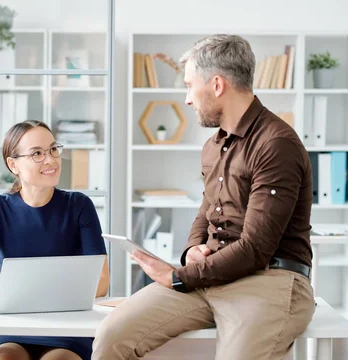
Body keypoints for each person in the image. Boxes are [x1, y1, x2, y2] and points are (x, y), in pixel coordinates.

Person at [92, 34, 315, 360]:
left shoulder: (275, 143)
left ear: (217, 85)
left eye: (189, 85)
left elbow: (255, 249)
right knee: (111, 336)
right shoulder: (213, 146)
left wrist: (178, 276)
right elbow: (207, 208)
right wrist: (190, 251)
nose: (187, 99)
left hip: (269, 278)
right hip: (211, 274)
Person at [0, 120, 110, 360]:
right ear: (13, 164)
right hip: (15, 326)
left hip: (68, 329)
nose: (50, 160)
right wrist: (3, 291)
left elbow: (101, 282)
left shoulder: (79, 206)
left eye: (53, 150)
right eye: (37, 153)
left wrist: (38, 294)